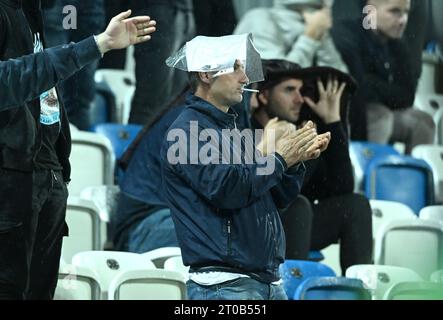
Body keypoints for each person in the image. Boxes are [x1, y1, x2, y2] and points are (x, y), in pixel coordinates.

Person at [0, 0, 156, 299]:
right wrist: (96, 45)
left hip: (45, 174)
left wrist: (56, 166)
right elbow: (7, 81)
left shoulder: (29, 11)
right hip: (10, 182)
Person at [160, 34, 331, 300]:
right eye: (236, 68)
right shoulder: (186, 132)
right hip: (223, 286)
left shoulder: (233, 131)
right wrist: (279, 159)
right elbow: (229, 189)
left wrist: (295, 161)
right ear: (205, 75)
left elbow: (278, 198)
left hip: (264, 282)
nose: (245, 78)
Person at [251, 59, 373, 274]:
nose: (299, 99)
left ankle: (360, 289)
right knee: (298, 205)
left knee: (355, 206)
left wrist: (332, 122)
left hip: (297, 227)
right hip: (253, 226)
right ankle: (289, 288)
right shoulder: (245, 129)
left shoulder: (302, 135)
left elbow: (341, 187)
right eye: (289, 90)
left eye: (301, 91)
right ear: (263, 95)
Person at [331, 0, 435, 151]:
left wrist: (373, 84)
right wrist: (384, 89)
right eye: (395, 12)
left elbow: (407, 96)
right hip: (350, 114)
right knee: (380, 116)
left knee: (423, 122)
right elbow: (357, 89)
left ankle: (412, 173)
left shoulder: (399, 45)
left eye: (406, 12)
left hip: (384, 111)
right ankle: (369, 172)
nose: (403, 20)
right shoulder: (349, 34)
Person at [128, 0, 195, 125]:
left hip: (184, 11)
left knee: (177, 104)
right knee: (150, 101)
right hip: (158, 10)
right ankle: (138, 144)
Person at [42, 0, 105, 130]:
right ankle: (51, 142)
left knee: (82, 93)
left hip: (91, 6)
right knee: (52, 90)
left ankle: (82, 144)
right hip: (57, 5)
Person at [234, 0, 348, 72]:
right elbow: (276, 81)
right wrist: (310, 38)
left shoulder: (316, 21)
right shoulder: (259, 19)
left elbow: (341, 85)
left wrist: (320, 35)